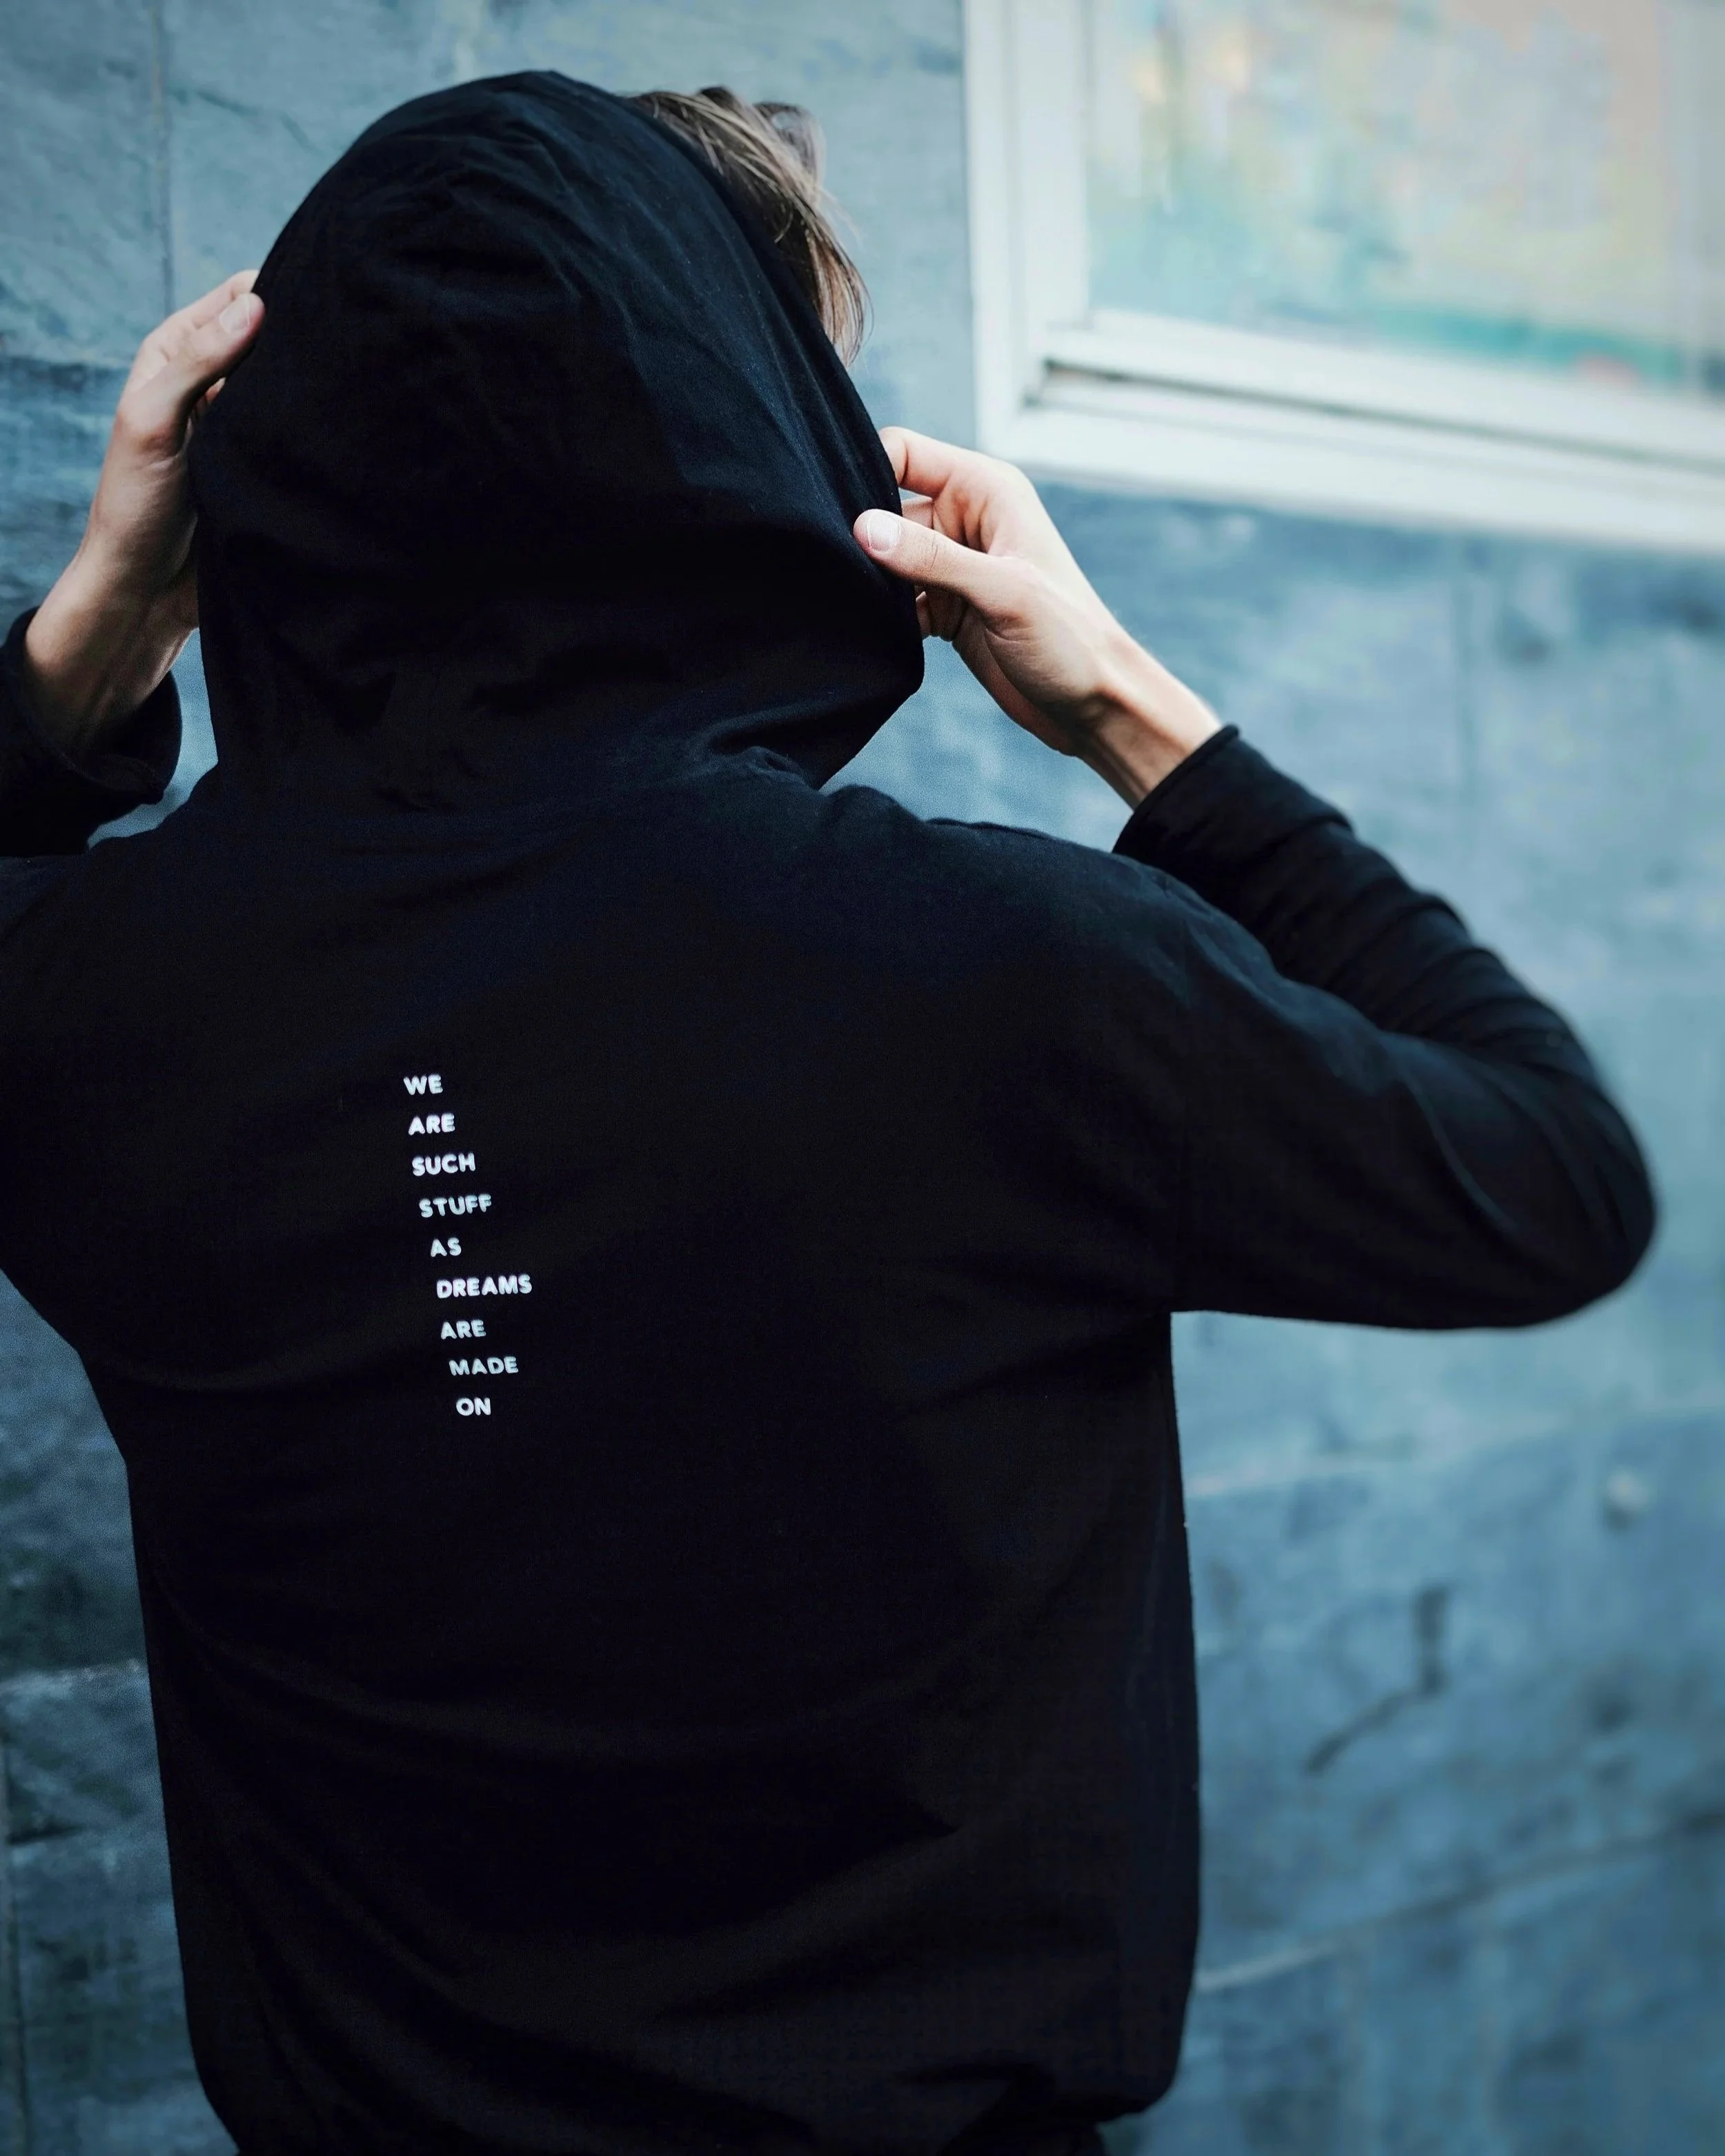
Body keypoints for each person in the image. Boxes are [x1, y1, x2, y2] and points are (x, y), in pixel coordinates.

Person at [1, 72, 1651, 2156]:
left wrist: (94, 638)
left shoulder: (91, 999)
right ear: (742, 434)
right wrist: (1124, 703)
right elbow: (1552, 1178)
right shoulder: (989, 969)